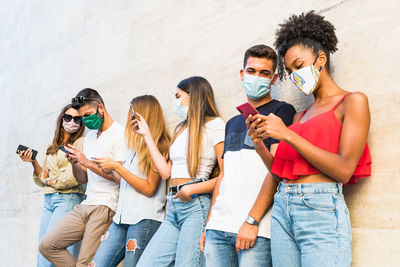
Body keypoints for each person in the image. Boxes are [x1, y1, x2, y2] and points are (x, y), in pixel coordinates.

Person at [244, 11, 371, 267]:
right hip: (282, 206)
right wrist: (259, 144)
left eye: (299, 66)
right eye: (290, 71)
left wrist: (287, 134)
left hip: (320, 208)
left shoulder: (352, 101)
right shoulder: (300, 115)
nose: (295, 76)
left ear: (321, 58)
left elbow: (344, 170)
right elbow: (280, 172)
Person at [200, 45, 296, 267]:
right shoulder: (232, 122)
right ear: (242, 74)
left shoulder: (282, 112)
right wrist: (209, 224)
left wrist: (252, 220)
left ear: (273, 79)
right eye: (251, 71)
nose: (256, 77)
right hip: (218, 227)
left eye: (264, 73)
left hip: (256, 228)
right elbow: (225, 176)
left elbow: (277, 170)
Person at [136, 76, 225, 267]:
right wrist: (146, 135)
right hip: (174, 205)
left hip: (195, 205)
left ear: (194, 96)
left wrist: (192, 190)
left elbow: (226, 174)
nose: (175, 102)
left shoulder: (215, 125)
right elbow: (166, 172)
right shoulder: (180, 128)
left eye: (179, 96)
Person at [39, 88, 127, 267]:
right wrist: (75, 163)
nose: (85, 121)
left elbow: (120, 177)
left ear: (101, 108)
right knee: (47, 246)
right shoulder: (90, 137)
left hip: (106, 206)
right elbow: (82, 180)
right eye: (83, 117)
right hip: (86, 204)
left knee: (85, 263)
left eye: (87, 115)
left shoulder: (120, 134)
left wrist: (86, 162)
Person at [89, 95, 171, 266]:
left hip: (144, 220)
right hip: (121, 219)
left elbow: (149, 189)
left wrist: (118, 168)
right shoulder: (132, 147)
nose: (129, 118)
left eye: (132, 113)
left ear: (143, 116)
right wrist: (106, 167)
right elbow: (126, 181)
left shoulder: (159, 145)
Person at [19, 104, 85, 267]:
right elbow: (43, 178)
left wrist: (50, 181)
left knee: (55, 252)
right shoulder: (53, 144)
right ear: (61, 119)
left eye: (77, 119)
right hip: (49, 200)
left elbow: (74, 178)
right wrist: (33, 161)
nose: (72, 122)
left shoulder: (81, 142)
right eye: (68, 117)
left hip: (68, 199)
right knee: (43, 254)